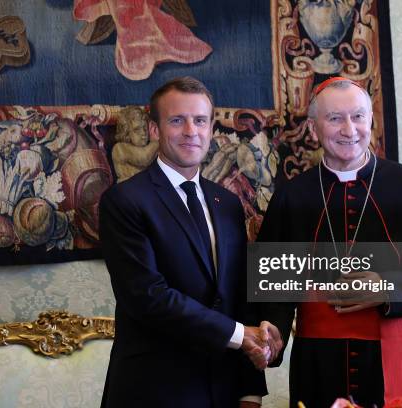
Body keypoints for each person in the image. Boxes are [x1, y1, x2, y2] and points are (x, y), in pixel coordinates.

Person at [257, 77, 402, 407]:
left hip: (392, 355)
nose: (349, 129)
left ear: (371, 121)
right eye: (335, 118)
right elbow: (274, 282)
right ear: (314, 129)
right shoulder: (291, 197)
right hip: (318, 360)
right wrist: (272, 335)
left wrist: (388, 287)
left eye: (358, 116)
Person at [99, 77, 282, 408]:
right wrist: (243, 336)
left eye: (200, 121)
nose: (190, 131)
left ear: (211, 129)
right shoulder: (124, 201)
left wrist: (250, 391)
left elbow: (239, 296)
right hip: (154, 392)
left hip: (223, 391)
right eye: (176, 120)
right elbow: (149, 298)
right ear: (154, 129)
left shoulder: (226, 203)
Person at [111, 105, 159, 182]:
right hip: (127, 190)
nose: (143, 133)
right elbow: (144, 158)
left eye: (145, 128)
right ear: (126, 132)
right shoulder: (120, 148)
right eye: (137, 130)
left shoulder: (150, 148)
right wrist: (157, 141)